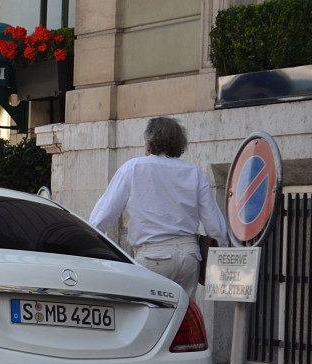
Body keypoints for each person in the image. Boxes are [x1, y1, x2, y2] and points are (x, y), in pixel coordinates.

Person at [89, 116, 228, 298]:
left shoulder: (133, 168)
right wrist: (222, 251)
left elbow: (104, 214)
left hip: (153, 255)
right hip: (190, 255)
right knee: (184, 318)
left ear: (149, 140)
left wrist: (88, 244)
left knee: (153, 317)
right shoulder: (194, 172)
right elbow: (214, 223)